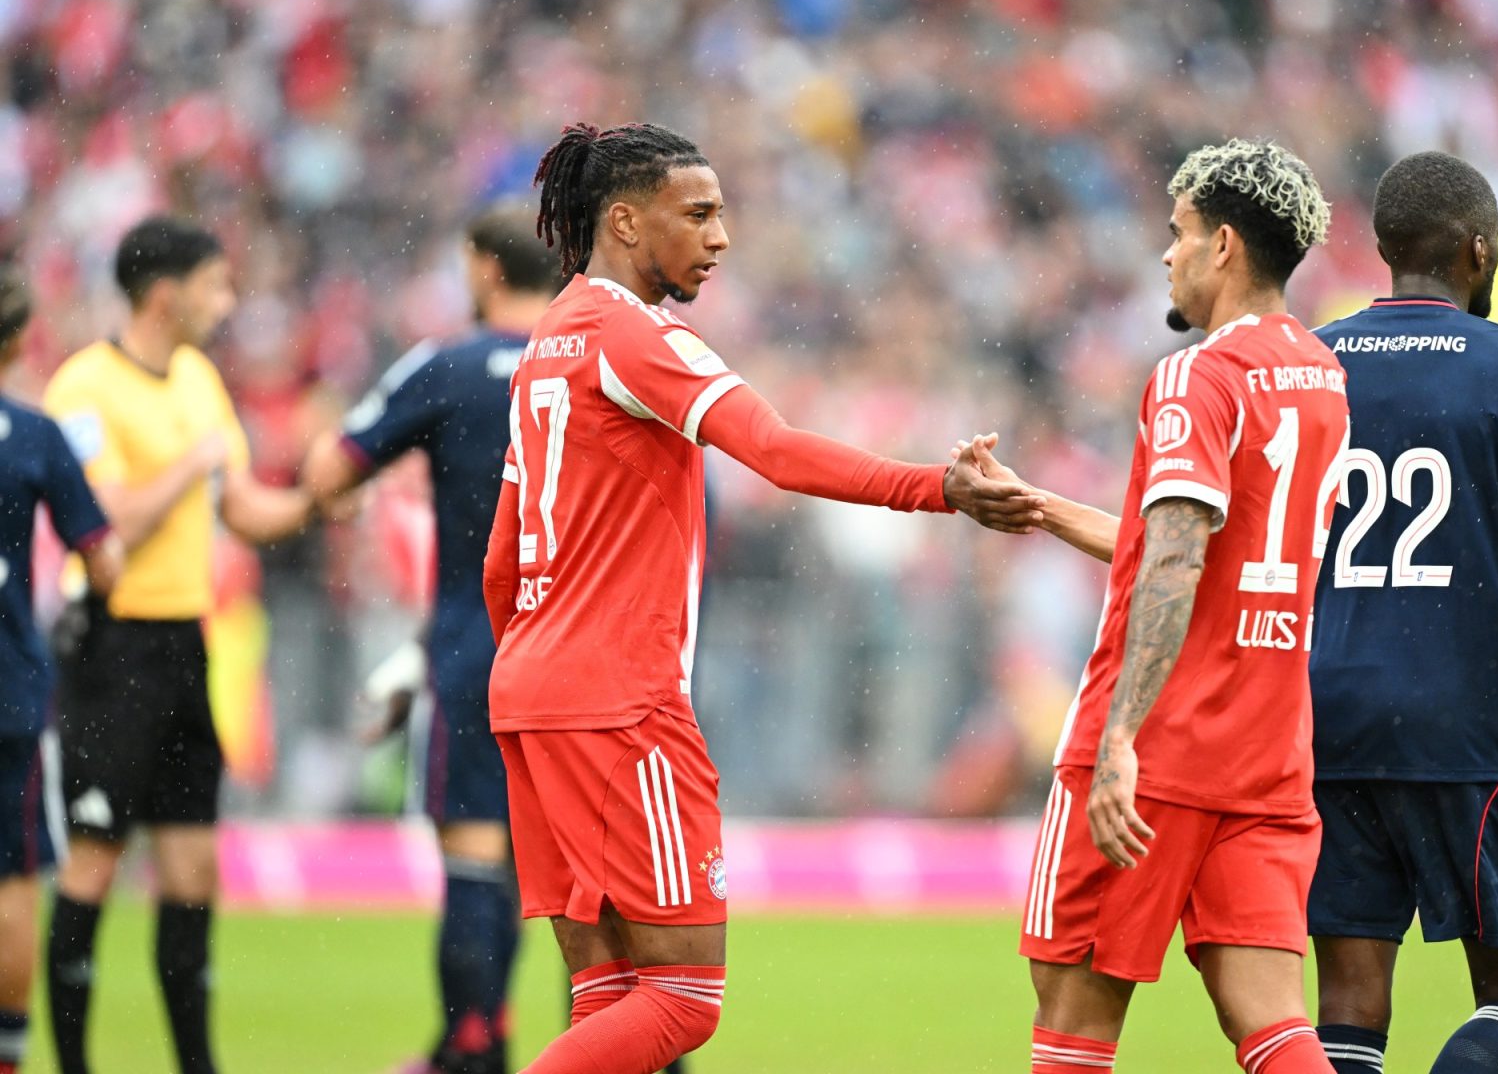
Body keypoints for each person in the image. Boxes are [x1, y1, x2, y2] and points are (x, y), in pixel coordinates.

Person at [480, 120, 1040, 1074]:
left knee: (609, 993)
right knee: (683, 998)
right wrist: (936, 488)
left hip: (533, 691)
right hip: (618, 699)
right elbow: (774, 450)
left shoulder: (550, 340)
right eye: (697, 214)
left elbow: (502, 558)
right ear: (625, 221)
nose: (721, 237)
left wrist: (535, 671)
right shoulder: (638, 336)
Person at [998, 138, 1349, 1074]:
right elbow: (1206, 548)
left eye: (1178, 232)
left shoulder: (1198, 375)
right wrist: (1044, 509)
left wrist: (1120, 737)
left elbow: (1181, 558)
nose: (1167, 253)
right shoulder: (1321, 376)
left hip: (1158, 747)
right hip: (1268, 754)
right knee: (1271, 1019)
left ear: (1222, 245)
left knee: (1073, 1016)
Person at [42, 216, 318, 1074]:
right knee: (93, 863)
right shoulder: (84, 388)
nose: (227, 303)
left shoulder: (199, 379)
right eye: (215, 286)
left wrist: (317, 498)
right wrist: (189, 465)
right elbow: (101, 519)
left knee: (194, 869)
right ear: (166, 294)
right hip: (111, 648)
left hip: (183, 647)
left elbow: (241, 506)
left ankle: (197, 1066)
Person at [303, 206, 560, 1074]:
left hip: (476, 646)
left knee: (476, 858)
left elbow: (330, 471)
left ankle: (471, 1049)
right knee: (574, 877)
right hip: (581, 656)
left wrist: (342, 494)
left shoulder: (444, 367)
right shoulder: (597, 366)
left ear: (485, 269)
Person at [1307, 151, 1498, 1074]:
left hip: (1329, 716)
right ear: (1479, 250)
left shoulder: (1313, 361)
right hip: (1470, 723)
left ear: (1385, 248)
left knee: (1347, 1008)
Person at [0, 265, 122, 1074]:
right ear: (16, 341)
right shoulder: (35, 435)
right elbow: (103, 559)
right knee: (13, 878)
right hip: (8, 687)